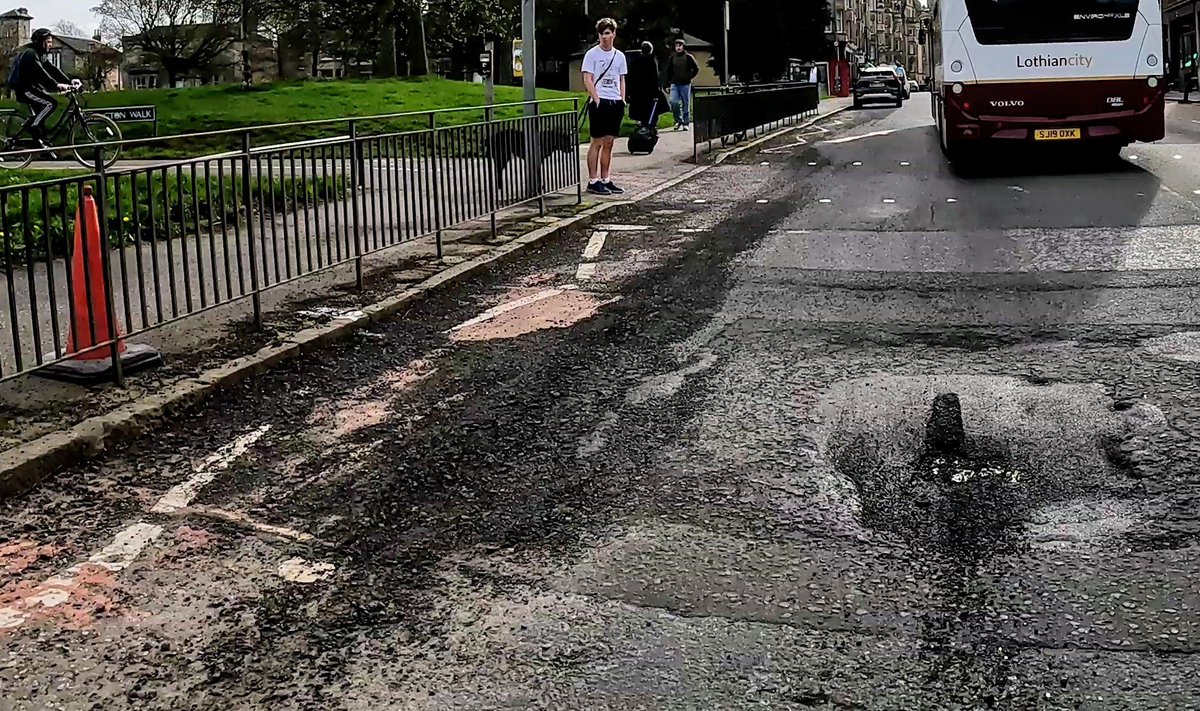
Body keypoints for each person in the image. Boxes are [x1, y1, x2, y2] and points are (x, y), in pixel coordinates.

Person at [582, 18, 628, 196]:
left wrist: (622, 99)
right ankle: (593, 180)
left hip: (615, 101)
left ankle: (605, 178)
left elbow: (622, 78)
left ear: (614, 34)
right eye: (602, 34)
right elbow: (588, 78)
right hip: (600, 101)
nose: (605, 37)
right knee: (597, 142)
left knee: (609, 142)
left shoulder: (619, 56)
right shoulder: (592, 54)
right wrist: (596, 98)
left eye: (608, 33)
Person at [7, 28, 73, 147]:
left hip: (32, 88)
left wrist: (70, 81)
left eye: (50, 42)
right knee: (50, 104)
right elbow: (41, 73)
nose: (50, 45)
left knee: (41, 112)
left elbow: (52, 69)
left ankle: (41, 141)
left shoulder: (40, 55)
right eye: (47, 42)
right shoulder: (31, 55)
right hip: (25, 90)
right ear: (40, 42)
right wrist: (56, 85)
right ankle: (33, 128)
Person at [663, 38, 700, 131]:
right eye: (677, 46)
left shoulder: (688, 57)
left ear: (683, 47)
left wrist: (689, 77)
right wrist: (666, 84)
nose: (678, 48)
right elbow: (668, 72)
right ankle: (678, 120)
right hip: (675, 83)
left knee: (685, 104)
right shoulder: (672, 58)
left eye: (680, 46)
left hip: (685, 84)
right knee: (673, 101)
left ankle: (686, 123)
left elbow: (696, 69)